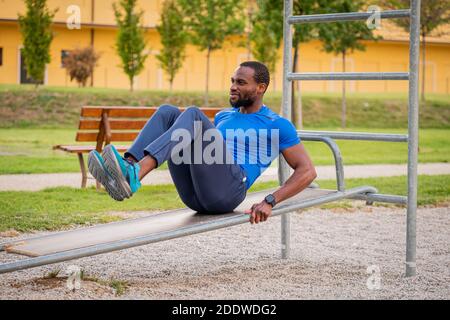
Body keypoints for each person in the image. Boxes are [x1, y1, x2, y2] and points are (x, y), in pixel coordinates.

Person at [88, 61, 317, 224]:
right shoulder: (223, 116)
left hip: (229, 192)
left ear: (261, 88)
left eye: (241, 82)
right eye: (232, 81)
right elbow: (204, 154)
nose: (233, 86)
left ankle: (136, 173)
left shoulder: (277, 124)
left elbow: (307, 171)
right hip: (195, 195)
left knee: (194, 115)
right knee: (168, 112)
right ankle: (127, 168)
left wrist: (270, 200)